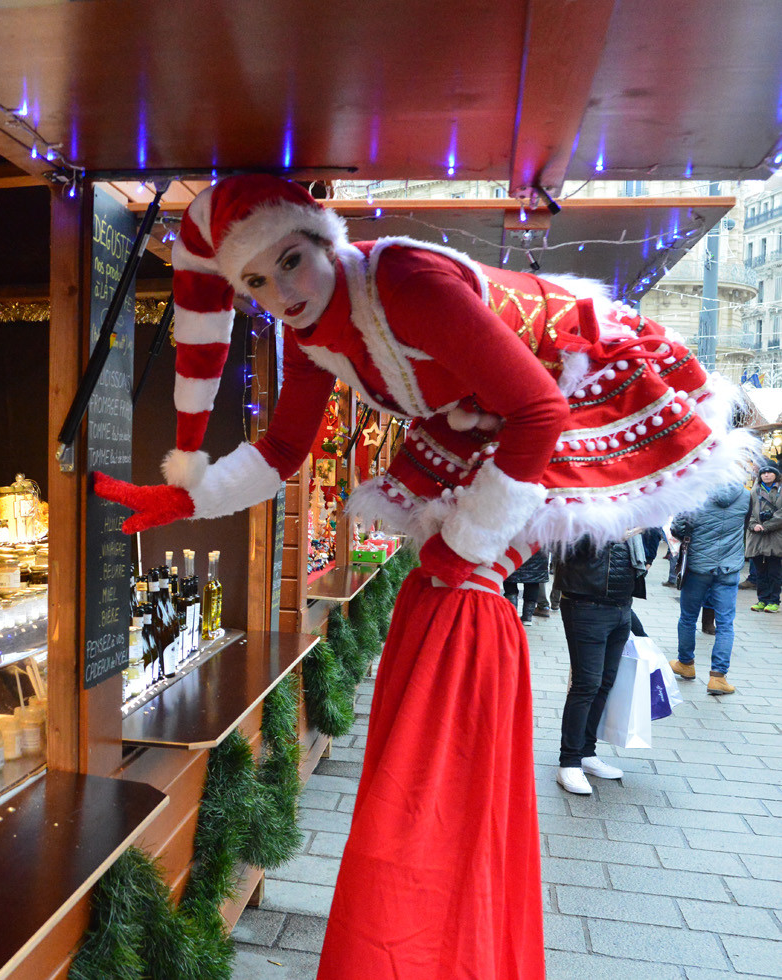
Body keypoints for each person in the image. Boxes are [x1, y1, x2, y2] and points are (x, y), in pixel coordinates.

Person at [93, 176, 753, 980]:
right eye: (256, 284)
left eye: (291, 262)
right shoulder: (309, 339)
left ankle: (438, 827)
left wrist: (467, 540)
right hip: (483, 419)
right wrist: (187, 496)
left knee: (459, 576)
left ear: (325, 238)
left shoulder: (406, 281)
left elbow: (541, 409)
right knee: (446, 580)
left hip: (571, 385)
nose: (282, 293)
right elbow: (283, 451)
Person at [551, 533, 647, 794]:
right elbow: (560, 543)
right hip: (585, 603)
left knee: (605, 682)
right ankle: (569, 761)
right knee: (587, 684)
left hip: (621, 605)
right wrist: (608, 531)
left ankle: (586, 752)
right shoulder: (578, 502)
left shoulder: (627, 502)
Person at [669, 480, 747, 695]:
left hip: (698, 566)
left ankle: (686, 663)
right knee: (725, 623)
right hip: (729, 566)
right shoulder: (745, 495)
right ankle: (718, 677)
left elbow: (677, 528)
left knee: (688, 617)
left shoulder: (694, 491)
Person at [745, 463, 782, 612]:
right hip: (756, 536)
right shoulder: (753, 491)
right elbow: (748, 512)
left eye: (770, 472)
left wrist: (766, 526)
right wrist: (753, 524)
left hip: (776, 536)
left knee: (774, 571)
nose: (766, 475)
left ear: (776, 475)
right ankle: (762, 599)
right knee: (760, 571)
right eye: (763, 473)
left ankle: (774, 600)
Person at [503, 548, 551, 623]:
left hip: (513, 550)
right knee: (533, 581)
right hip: (537, 553)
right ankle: (527, 617)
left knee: (510, 580)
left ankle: (511, 616)